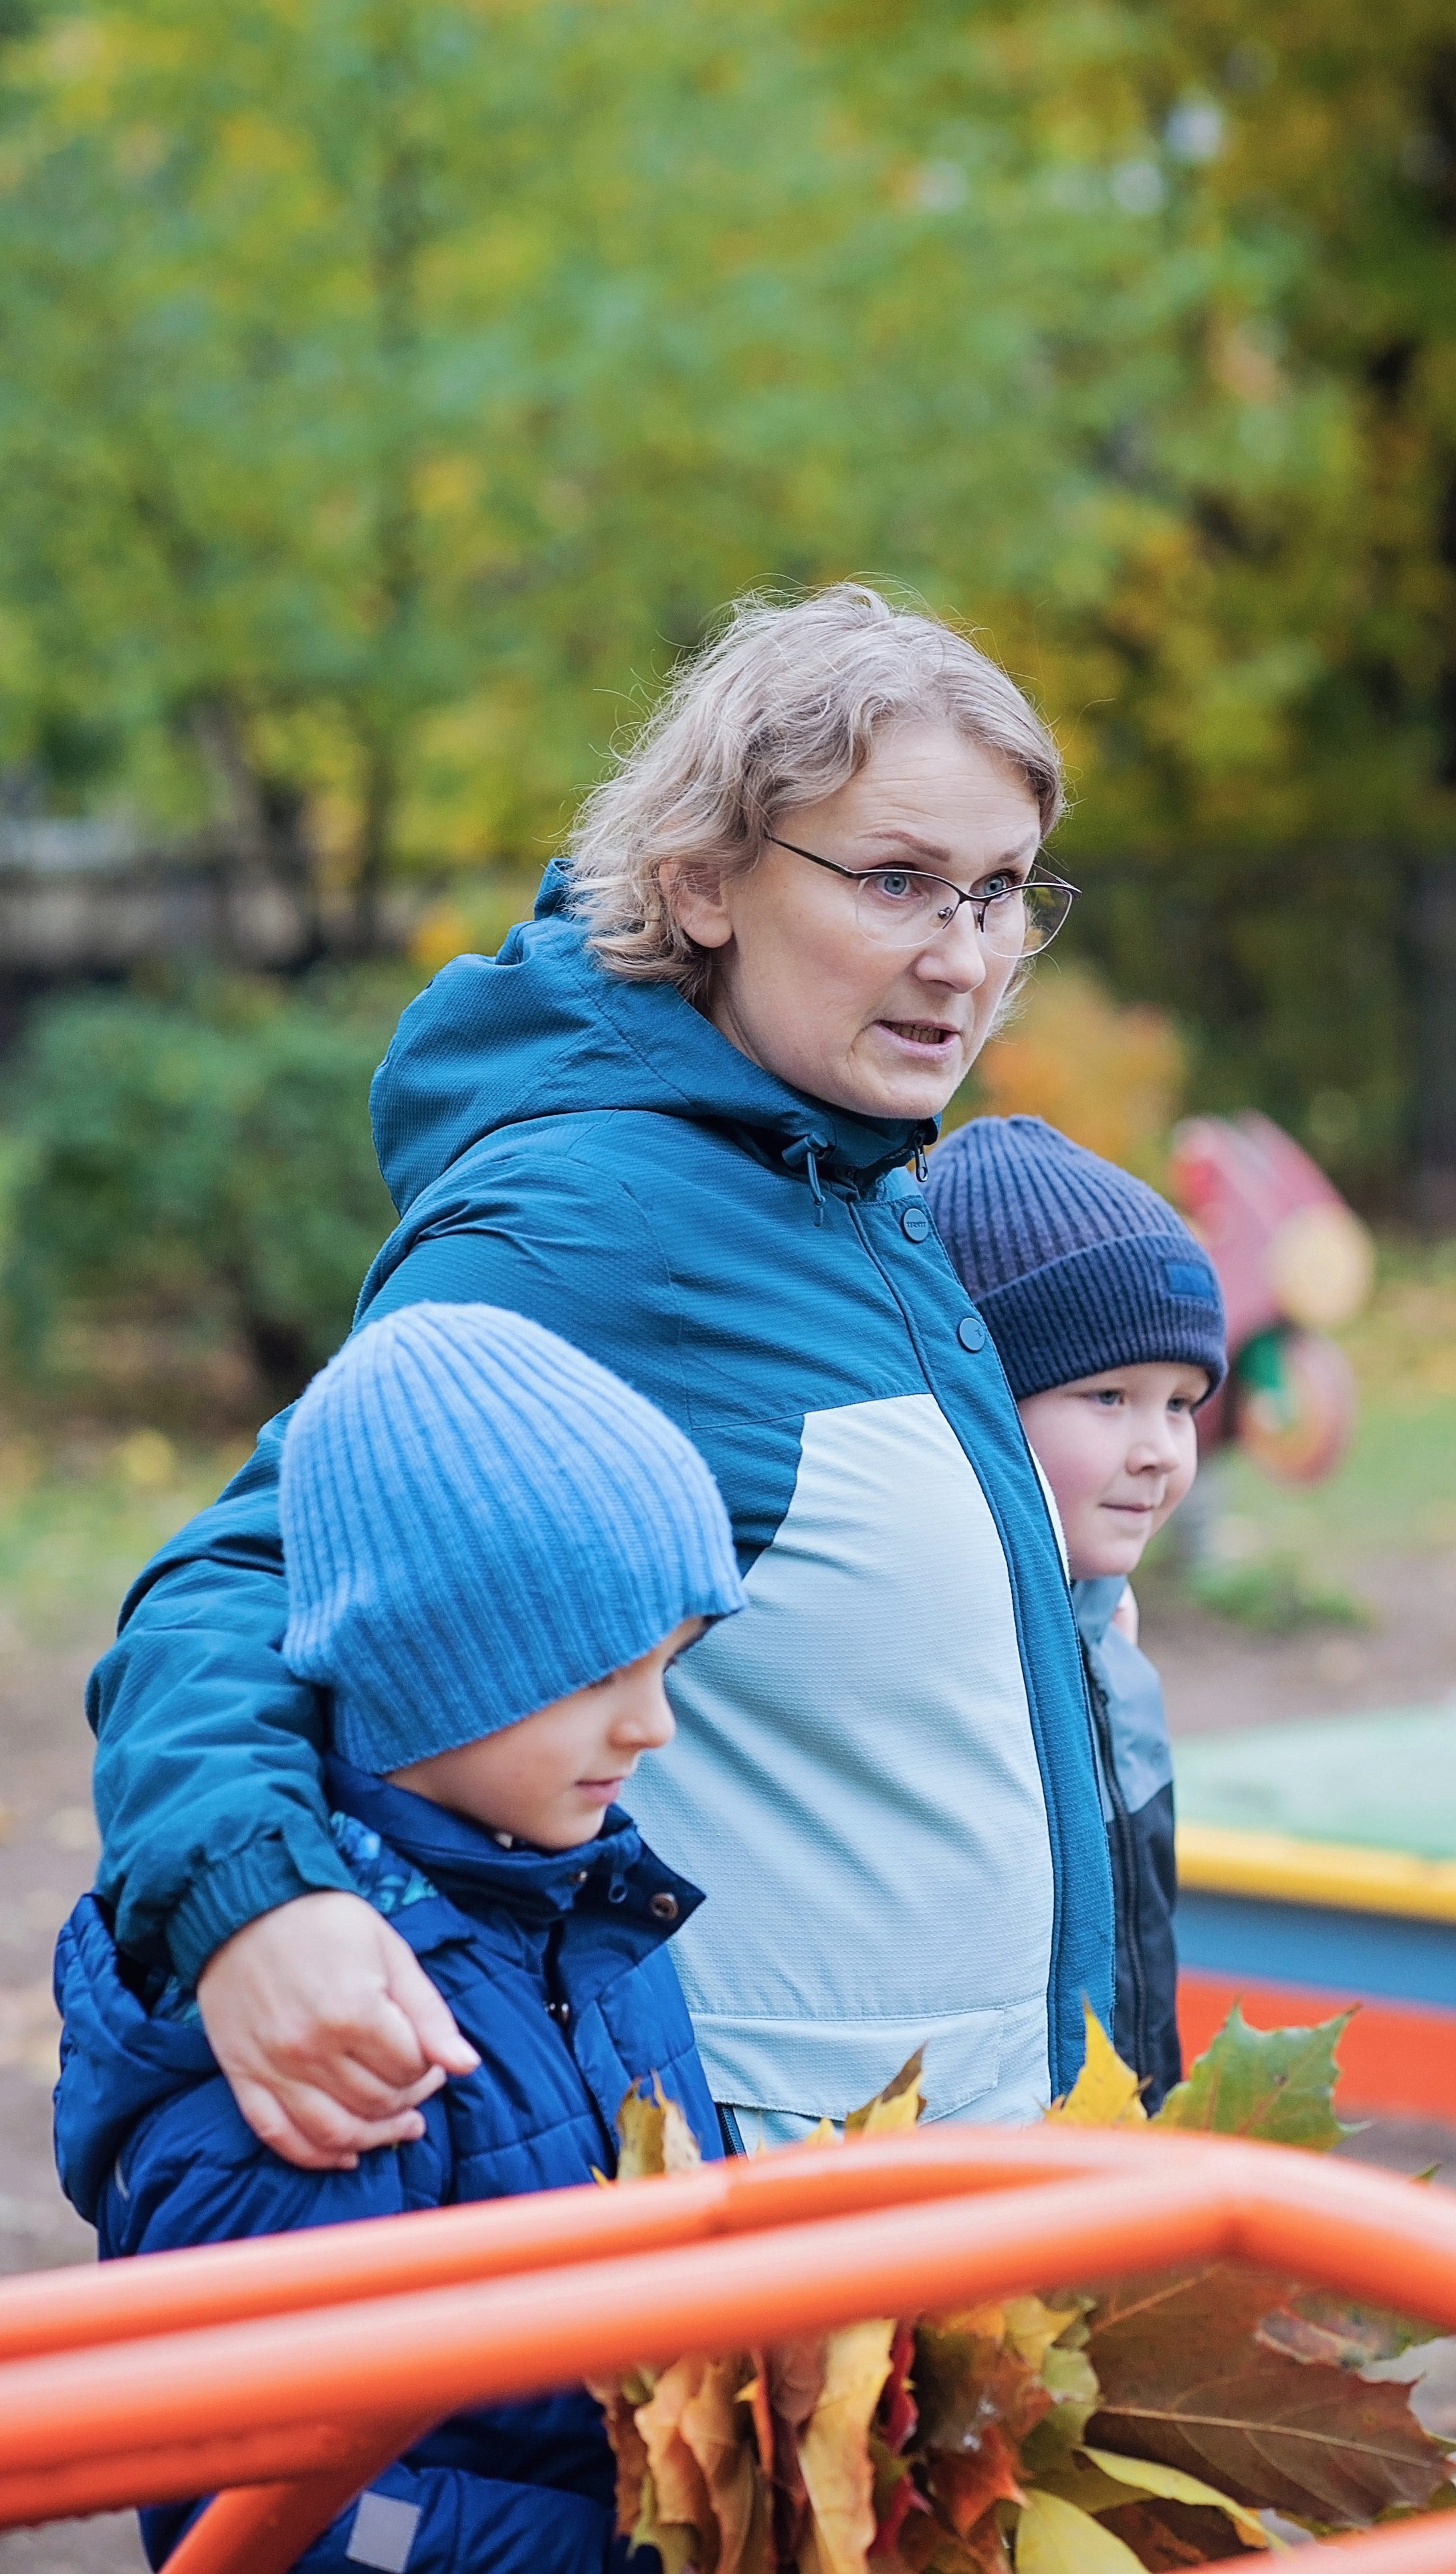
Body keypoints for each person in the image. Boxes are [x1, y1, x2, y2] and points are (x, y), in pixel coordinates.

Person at [86, 585, 1115, 2165]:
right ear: (700, 882)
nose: (961, 957)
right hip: (782, 2227)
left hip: (975, 2183)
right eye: (896, 881)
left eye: (997, 892)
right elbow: (247, 1577)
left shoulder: (845, 1177)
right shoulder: (603, 1221)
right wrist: (253, 1904)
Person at [56, 1302, 744, 2571]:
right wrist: (637, 2550)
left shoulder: (588, 1912)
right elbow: (278, 2514)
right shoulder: (331, 2043)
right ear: (431, 1667)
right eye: (601, 1675)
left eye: (672, 1665)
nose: (654, 1725)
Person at [922, 1115, 1227, 2106]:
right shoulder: (939, 1661)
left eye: (1180, 1404)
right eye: (1109, 1398)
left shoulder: (1114, 1651)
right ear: (981, 1405)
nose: (1159, 1450)